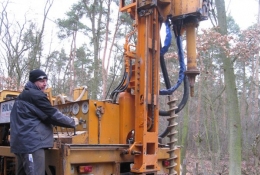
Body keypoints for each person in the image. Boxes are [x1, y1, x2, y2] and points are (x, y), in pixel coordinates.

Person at [10, 69, 79, 175]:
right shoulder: (35, 95)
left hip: (22, 144)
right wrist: (72, 122)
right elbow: (52, 115)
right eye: (41, 81)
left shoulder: (23, 96)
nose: (45, 84)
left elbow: (44, 116)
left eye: (46, 80)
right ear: (33, 82)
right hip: (32, 145)